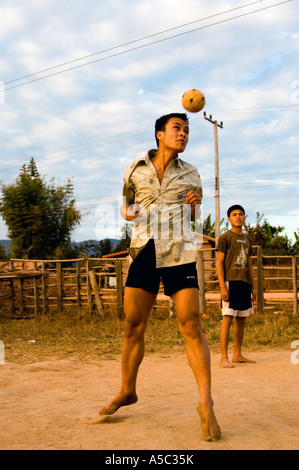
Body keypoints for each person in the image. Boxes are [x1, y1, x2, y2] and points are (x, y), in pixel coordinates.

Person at [99, 113, 221, 442]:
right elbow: (125, 208)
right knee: (132, 326)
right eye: (177, 129)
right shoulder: (136, 169)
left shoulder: (191, 173)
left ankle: (205, 401)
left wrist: (195, 206)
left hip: (180, 251)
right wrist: (133, 210)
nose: (183, 134)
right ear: (159, 134)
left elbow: (195, 215)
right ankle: (127, 390)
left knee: (190, 324)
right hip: (143, 250)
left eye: (187, 130)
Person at [216, 205, 257, 368]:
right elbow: (219, 262)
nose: (238, 217)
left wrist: (254, 287)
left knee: (242, 320)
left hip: (244, 283)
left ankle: (237, 354)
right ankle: (224, 357)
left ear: (245, 218)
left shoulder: (247, 239)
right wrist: (222, 287)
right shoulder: (225, 237)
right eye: (234, 215)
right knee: (227, 319)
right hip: (230, 282)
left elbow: (250, 264)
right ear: (229, 219)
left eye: (241, 214)